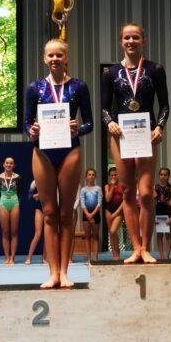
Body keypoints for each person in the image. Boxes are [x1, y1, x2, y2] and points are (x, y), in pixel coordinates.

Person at [24, 39, 93, 288]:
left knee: (66, 213)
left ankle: (64, 271)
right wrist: (31, 130)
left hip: (69, 151)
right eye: (51, 55)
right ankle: (52, 272)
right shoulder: (34, 88)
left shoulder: (78, 86)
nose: (55, 59)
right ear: (45, 59)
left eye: (59, 55)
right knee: (49, 214)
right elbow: (26, 122)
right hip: (42, 152)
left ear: (66, 58)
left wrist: (78, 128)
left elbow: (89, 123)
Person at [101, 23, 170, 264]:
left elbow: (164, 104)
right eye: (127, 38)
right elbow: (104, 107)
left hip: (146, 134)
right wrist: (109, 122)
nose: (131, 41)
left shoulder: (155, 69)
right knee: (128, 191)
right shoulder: (111, 73)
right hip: (121, 136)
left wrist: (160, 126)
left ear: (143, 40)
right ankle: (136, 247)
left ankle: (146, 247)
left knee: (147, 193)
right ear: (121, 42)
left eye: (136, 37)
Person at [0, 157, 22, 266]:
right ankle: (7, 257)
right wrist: (2, 202)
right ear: (3, 164)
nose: (9, 165)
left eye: (11, 163)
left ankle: (12, 257)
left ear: (14, 165)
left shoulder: (18, 178)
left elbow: (20, 193)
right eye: (7, 163)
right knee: (5, 232)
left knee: (14, 232)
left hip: (15, 203)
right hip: (3, 203)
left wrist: (17, 202)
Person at [76, 168, 102, 262]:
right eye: (89, 175)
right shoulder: (83, 190)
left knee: (96, 236)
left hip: (96, 214)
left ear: (95, 177)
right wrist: (88, 214)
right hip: (86, 215)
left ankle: (96, 258)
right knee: (87, 237)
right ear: (86, 177)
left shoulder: (98, 188)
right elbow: (82, 203)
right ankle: (89, 258)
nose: (91, 176)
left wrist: (92, 214)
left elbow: (99, 203)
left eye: (93, 175)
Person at [155, 167, 171, 260]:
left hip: (167, 213)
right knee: (159, 235)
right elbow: (152, 203)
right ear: (159, 176)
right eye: (161, 174)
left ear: (168, 176)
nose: (163, 176)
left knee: (167, 234)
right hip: (158, 212)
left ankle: (167, 255)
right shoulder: (155, 187)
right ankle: (161, 255)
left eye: (165, 175)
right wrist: (153, 217)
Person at [25, 180, 44, 265]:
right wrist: (39, 195)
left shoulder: (52, 180)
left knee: (48, 235)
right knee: (38, 234)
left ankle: (44, 258)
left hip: (49, 207)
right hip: (39, 208)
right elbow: (29, 197)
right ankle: (29, 257)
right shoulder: (34, 182)